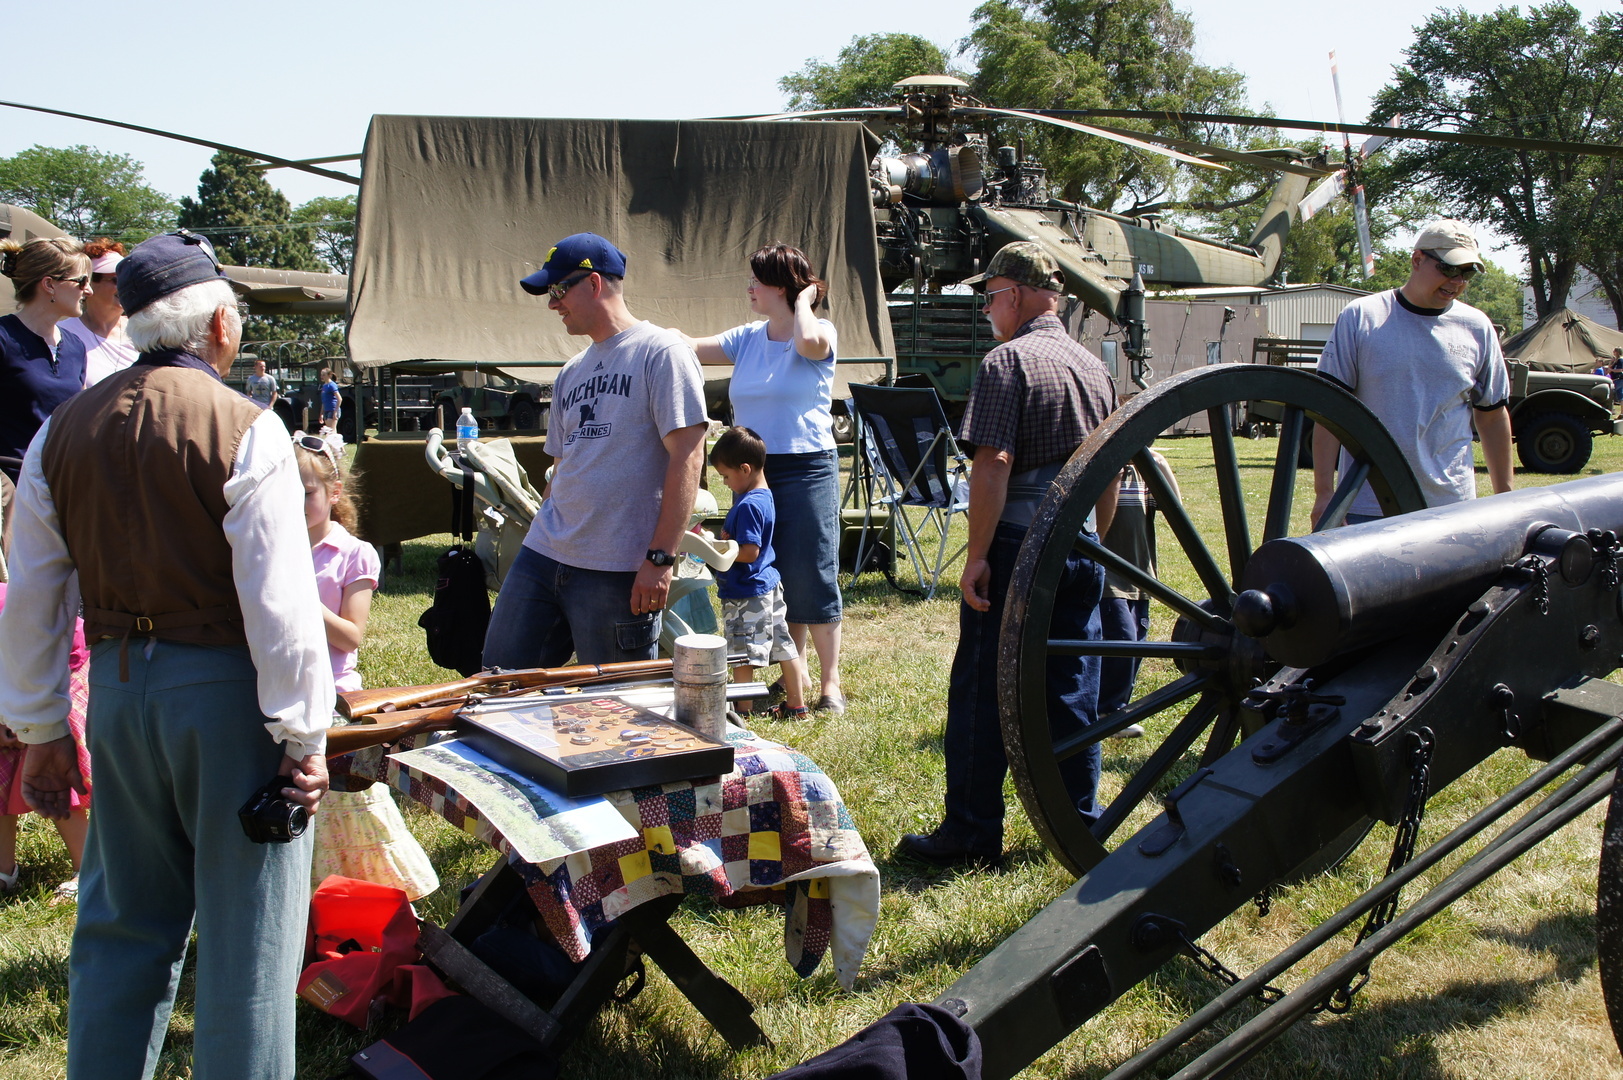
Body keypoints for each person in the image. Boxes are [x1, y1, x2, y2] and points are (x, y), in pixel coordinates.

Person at [0, 230, 332, 1079]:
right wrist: (304, 735)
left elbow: (32, 594)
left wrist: (40, 724)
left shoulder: (59, 433)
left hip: (115, 692)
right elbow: (281, 605)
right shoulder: (246, 427)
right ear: (220, 324)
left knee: (120, 929)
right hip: (225, 698)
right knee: (247, 945)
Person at [898, 242, 1118, 870]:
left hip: (1018, 544)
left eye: (989, 295)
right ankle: (1078, 824)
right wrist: (1093, 544)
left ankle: (971, 832)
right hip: (1082, 547)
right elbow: (1108, 475)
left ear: (1015, 294)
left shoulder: (1007, 362)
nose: (987, 309)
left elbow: (993, 465)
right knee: (1071, 685)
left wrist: (976, 556)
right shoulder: (1093, 368)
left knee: (981, 689)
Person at [482, 232, 708, 669]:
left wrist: (660, 559)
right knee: (499, 677)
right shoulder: (571, 371)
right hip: (545, 553)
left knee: (617, 704)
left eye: (558, 290)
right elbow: (562, 467)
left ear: (594, 283)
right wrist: (538, 531)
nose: (552, 304)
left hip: (618, 567)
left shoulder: (662, 353)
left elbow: (688, 457)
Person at [680, 242, 846, 713]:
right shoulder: (746, 337)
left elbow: (809, 343)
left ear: (784, 287)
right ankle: (797, 672)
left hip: (808, 465)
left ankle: (830, 684)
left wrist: (803, 304)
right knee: (766, 569)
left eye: (759, 280)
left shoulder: (818, 330)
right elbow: (689, 345)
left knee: (811, 570)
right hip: (754, 474)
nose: (750, 287)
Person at [295, 431, 437, 899]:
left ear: (334, 493)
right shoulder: (275, 547)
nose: (297, 502)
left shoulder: (354, 553)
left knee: (349, 808)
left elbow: (351, 635)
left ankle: (380, 897)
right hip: (279, 693)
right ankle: (306, 896)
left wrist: (295, 594)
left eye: (307, 491)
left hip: (331, 697)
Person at [1312, 220, 1513, 525]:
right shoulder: (1362, 317)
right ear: (1417, 259)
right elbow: (1329, 411)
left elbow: (1492, 415)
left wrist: (1506, 498)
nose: (1457, 281)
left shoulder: (1477, 327)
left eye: (1467, 273)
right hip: (1368, 505)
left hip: (1451, 506)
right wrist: (1325, 495)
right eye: (1448, 269)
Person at [710, 426, 810, 720]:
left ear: (745, 468)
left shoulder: (749, 505)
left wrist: (716, 550)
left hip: (747, 591)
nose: (726, 483)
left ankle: (743, 709)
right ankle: (796, 704)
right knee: (783, 644)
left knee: (742, 652)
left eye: (726, 476)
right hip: (767, 586)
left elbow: (749, 551)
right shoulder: (762, 495)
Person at [0, 582, 91, 904]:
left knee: (51, 767)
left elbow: (35, 667)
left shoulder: (10, 612)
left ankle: (87, 867)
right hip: (13, 696)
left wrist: (21, 722)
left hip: (57, 681)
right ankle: (4, 868)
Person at [0, 237, 90, 557]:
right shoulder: (3, 338)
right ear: (49, 285)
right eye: (81, 281)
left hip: (61, 489)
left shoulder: (76, 348)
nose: (88, 290)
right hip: (11, 493)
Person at [1098, 451, 1178, 737]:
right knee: (1122, 639)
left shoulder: (1145, 473)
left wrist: (1160, 466)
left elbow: (1174, 510)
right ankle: (1106, 710)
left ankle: (1115, 708)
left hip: (1139, 573)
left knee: (1136, 640)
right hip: (1108, 573)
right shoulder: (1103, 466)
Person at [60, 237, 138, 387]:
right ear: (87, 283)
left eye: (126, 278)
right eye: (115, 280)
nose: (124, 286)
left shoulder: (144, 330)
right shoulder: (62, 334)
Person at [318, 367, 341, 433]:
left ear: (329, 375)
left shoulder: (332, 385)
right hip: (326, 410)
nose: (321, 377)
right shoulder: (324, 386)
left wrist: (335, 412)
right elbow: (324, 401)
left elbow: (339, 399)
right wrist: (321, 414)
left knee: (332, 431)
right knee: (329, 431)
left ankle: (336, 443)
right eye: (321, 375)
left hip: (332, 409)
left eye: (323, 375)